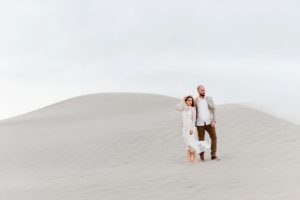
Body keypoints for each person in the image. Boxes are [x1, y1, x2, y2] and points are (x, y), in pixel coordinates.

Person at [176, 95, 210, 163]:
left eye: (191, 100)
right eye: (188, 100)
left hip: (190, 128)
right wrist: (182, 100)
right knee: (186, 142)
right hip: (184, 128)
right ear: (186, 101)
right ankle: (189, 159)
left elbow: (194, 120)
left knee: (191, 142)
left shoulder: (193, 109)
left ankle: (195, 158)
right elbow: (177, 107)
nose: (190, 101)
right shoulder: (183, 108)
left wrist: (192, 128)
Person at [194, 85, 218, 161]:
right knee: (201, 140)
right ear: (198, 91)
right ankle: (202, 156)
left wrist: (213, 120)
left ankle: (213, 154)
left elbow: (213, 110)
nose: (203, 91)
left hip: (209, 122)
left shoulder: (209, 99)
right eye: (202, 90)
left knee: (214, 137)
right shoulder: (195, 101)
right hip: (199, 123)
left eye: (204, 90)